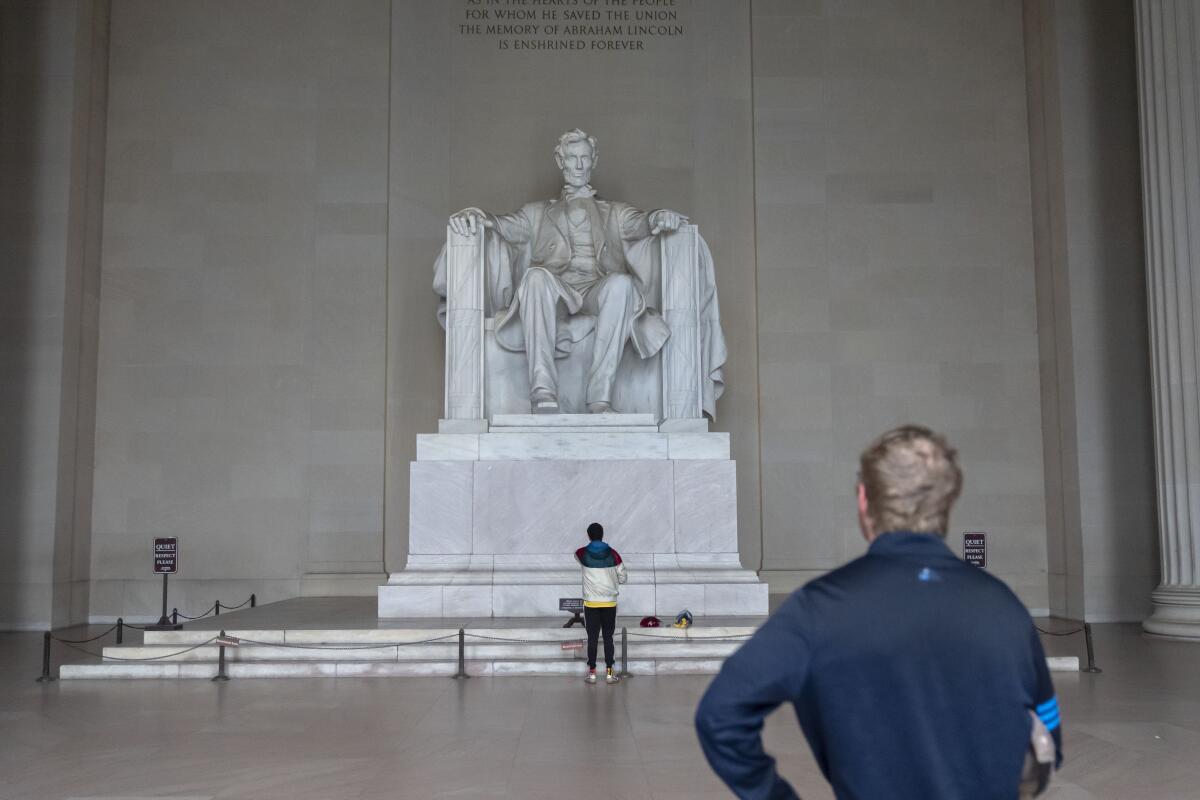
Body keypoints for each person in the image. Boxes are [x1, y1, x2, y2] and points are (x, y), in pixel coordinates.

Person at [695, 425, 1064, 799]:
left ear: (862, 499)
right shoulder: (1003, 607)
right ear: (948, 501)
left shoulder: (820, 607)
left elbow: (720, 716)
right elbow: (1047, 739)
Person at [445, 129, 693, 414]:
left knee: (623, 285)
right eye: (572, 157)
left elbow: (642, 223)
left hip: (596, 290)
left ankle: (600, 398)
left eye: (584, 158)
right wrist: (477, 215)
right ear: (559, 160)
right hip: (556, 290)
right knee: (535, 277)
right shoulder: (536, 213)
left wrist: (658, 216)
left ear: (594, 160)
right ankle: (543, 391)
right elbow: (501, 224)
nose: (578, 165)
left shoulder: (615, 212)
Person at [574, 522, 628, 684]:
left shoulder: (582, 553)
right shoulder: (614, 554)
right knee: (608, 638)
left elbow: (577, 556)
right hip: (609, 603)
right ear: (603, 534)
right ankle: (610, 674)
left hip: (591, 603)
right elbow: (623, 578)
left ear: (588, 535)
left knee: (592, 638)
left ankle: (592, 673)